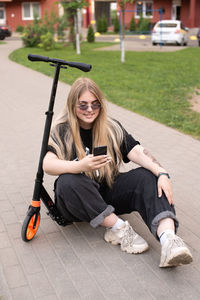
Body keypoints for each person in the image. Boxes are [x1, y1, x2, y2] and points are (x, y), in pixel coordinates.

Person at [43, 77, 193, 268]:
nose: (89, 109)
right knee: (67, 181)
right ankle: (119, 229)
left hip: (106, 190)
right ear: (73, 106)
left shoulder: (111, 127)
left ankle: (169, 241)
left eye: (95, 104)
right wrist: (81, 166)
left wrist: (161, 172)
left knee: (147, 176)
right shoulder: (61, 129)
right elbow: (47, 164)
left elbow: (137, 151)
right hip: (76, 201)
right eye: (83, 105)